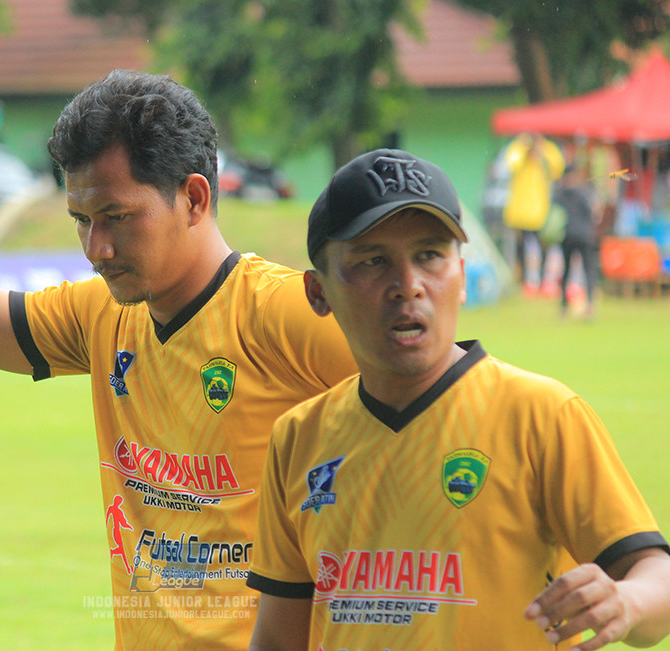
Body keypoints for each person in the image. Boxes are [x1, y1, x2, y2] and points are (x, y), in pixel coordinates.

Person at [0, 17, 357, 649]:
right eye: (81, 219)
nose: (96, 248)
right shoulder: (102, 316)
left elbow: (443, 405)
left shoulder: (289, 313)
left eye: (117, 216)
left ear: (194, 199)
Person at [245, 148, 670, 650]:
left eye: (429, 256)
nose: (408, 286)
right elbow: (277, 638)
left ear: (462, 276)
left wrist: (628, 600)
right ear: (318, 293)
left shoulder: (541, 415)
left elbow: (655, 576)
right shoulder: (300, 437)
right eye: (374, 261)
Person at [502, 133, 565, 291]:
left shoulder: (547, 149)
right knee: (521, 247)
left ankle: (542, 280)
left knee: (543, 247)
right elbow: (511, 164)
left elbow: (557, 169)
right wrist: (525, 149)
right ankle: (524, 280)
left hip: (541, 211)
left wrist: (541, 150)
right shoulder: (518, 147)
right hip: (520, 212)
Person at [553, 164, 600, 319]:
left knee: (566, 270)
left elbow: (554, 216)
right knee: (588, 270)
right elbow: (592, 213)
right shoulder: (583, 193)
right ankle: (589, 306)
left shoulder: (558, 195)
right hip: (584, 235)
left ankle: (564, 307)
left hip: (567, 236)